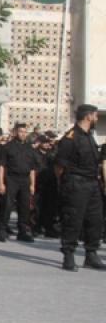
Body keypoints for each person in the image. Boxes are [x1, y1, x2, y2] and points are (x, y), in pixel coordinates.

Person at [55, 104, 103, 271]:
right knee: (73, 219)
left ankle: (91, 254)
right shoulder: (71, 137)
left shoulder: (90, 135)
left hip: (92, 183)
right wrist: (65, 185)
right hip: (76, 183)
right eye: (95, 115)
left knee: (95, 220)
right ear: (88, 116)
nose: (97, 118)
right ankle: (68, 255)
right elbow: (59, 166)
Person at [0, 123, 36, 243]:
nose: (23, 134)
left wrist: (32, 184)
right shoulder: (8, 147)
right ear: (15, 132)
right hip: (11, 178)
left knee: (24, 207)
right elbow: (2, 166)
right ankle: (2, 230)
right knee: (7, 206)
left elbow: (32, 168)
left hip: (25, 179)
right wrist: (1, 183)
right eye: (20, 131)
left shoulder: (30, 148)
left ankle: (22, 231)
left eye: (25, 132)